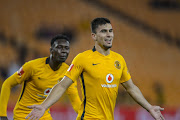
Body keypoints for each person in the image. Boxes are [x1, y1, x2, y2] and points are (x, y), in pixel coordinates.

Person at [26, 18, 165, 120]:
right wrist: (44, 106)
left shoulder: (119, 60)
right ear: (94, 36)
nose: (109, 34)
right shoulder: (83, 58)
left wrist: (149, 107)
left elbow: (131, 88)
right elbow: (63, 85)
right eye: (104, 31)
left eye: (111, 31)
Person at [0, 34, 81, 120]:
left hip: (44, 115)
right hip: (23, 116)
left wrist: (85, 116)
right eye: (59, 47)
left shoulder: (68, 72)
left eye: (66, 48)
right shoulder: (32, 66)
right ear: (51, 50)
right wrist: (2, 115)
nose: (64, 51)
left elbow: (75, 100)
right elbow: (7, 84)